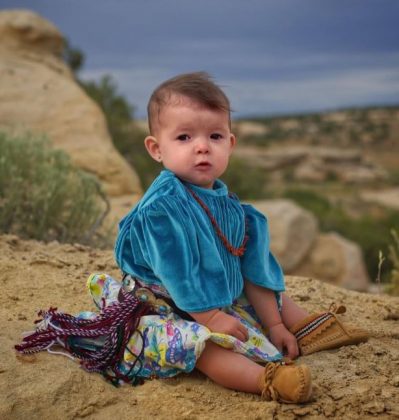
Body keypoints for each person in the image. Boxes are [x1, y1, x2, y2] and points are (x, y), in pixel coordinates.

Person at [15, 72, 368, 404]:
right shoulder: (162, 209)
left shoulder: (234, 208)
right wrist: (212, 319)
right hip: (167, 302)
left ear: (230, 144)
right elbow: (177, 274)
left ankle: (305, 327)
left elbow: (254, 269)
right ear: (156, 149)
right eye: (184, 137)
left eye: (214, 137)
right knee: (200, 346)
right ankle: (268, 382)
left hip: (214, 291)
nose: (202, 147)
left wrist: (274, 323)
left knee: (268, 288)